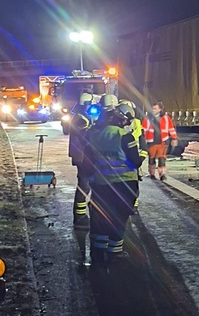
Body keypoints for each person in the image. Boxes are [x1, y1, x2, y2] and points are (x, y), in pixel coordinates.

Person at [84, 94, 142, 265]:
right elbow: (135, 161)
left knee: (101, 219)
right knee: (119, 218)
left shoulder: (93, 135)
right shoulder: (124, 136)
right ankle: (115, 253)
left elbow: (88, 163)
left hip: (101, 185)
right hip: (125, 186)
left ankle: (99, 254)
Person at [69, 91, 95, 231]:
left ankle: (81, 215)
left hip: (82, 156)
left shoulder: (81, 116)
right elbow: (86, 136)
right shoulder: (81, 118)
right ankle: (79, 217)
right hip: (83, 157)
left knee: (85, 185)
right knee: (84, 186)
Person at [142, 101, 178, 181]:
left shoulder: (166, 118)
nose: (153, 110)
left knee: (162, 159)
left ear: (160, 109)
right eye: (153, 108)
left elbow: (171, 129)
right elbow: (143, 130)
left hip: (163, 142)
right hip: (151, 142)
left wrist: (174, 138)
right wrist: (143, 141)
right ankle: (151, 174)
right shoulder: (147, 118)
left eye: (155, 108)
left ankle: (162, 174)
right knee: (151, 159)